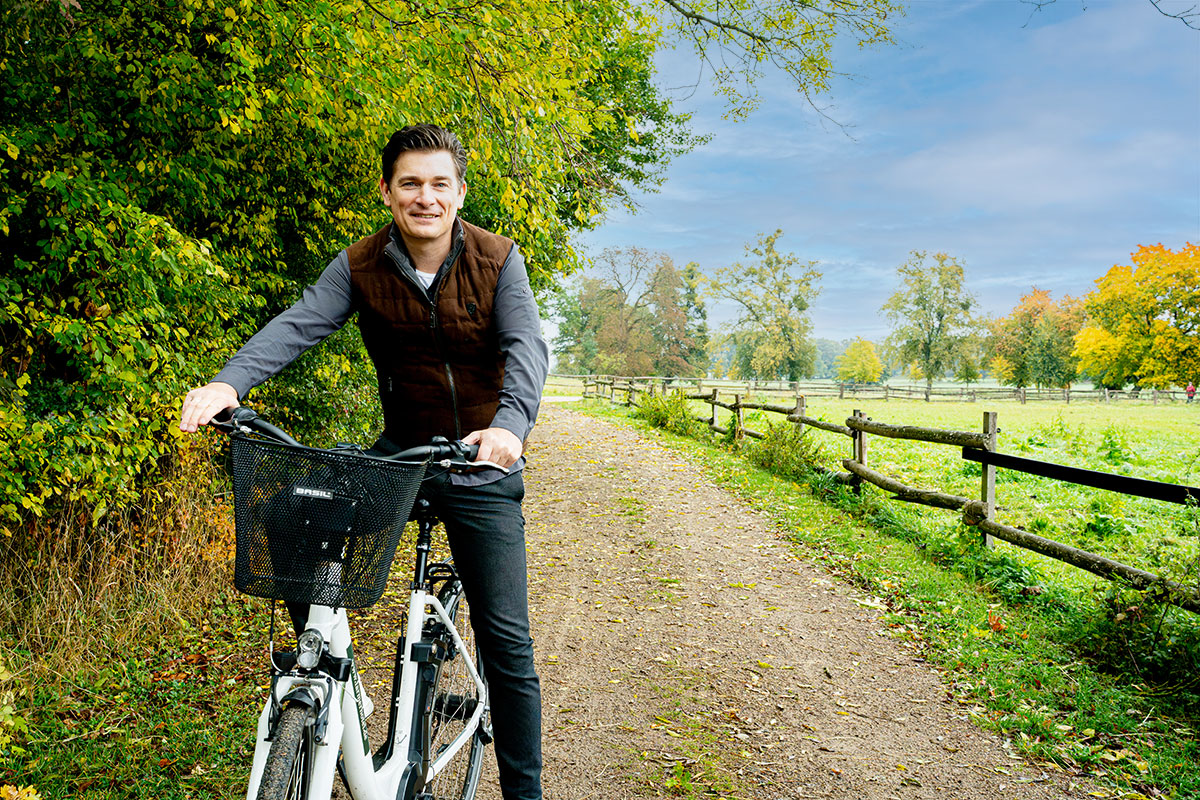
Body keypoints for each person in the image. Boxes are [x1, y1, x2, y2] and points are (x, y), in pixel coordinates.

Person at [179, 124, 548, 800]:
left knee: (507, 645)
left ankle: (525, 795)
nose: (425, 197)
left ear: (460, 192)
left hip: (480, 463)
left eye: (439, 184)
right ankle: (333, 675)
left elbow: (527, 348)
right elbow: (299, 323)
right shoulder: (360, 264)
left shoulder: (498, 259)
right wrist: (229, 383)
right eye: (410, 183)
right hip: (401, 455)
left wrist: (509, 428)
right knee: (290, 515)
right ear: (386, 191)